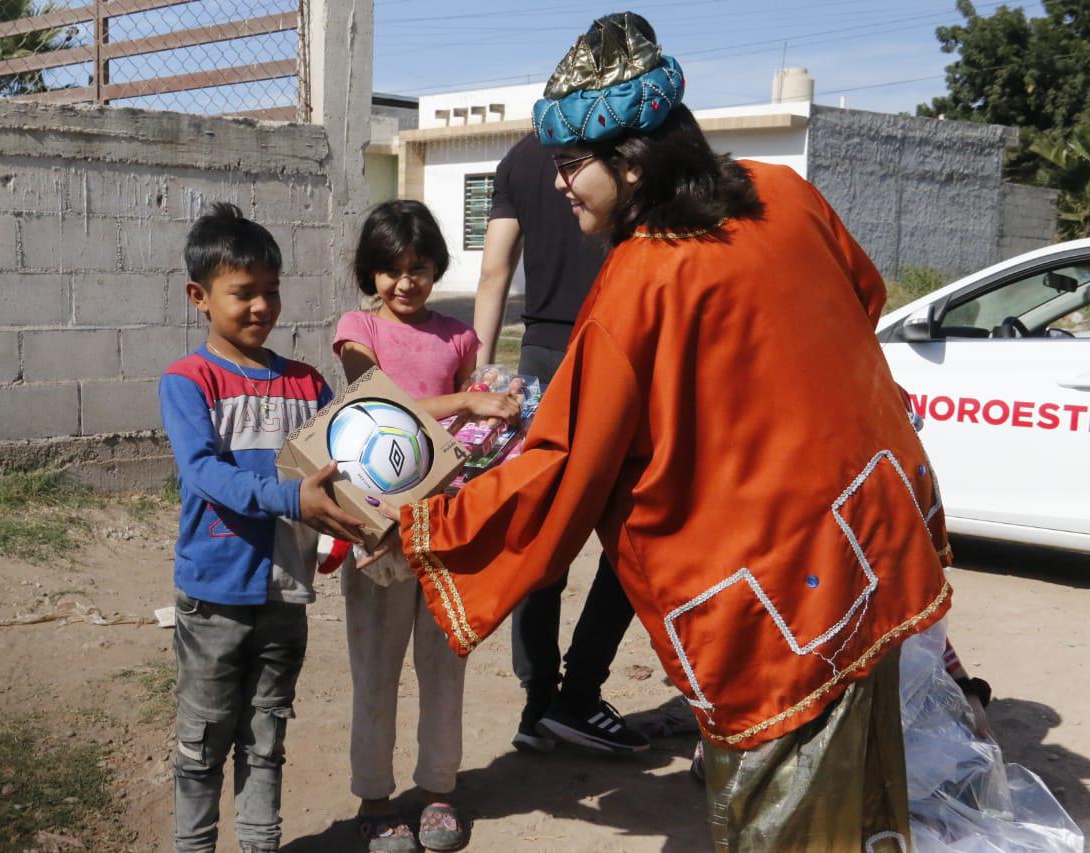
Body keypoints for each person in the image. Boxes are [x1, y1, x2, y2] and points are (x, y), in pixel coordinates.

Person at [383, 14, 953, 851]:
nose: (560, 186)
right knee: (862, 797)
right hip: (871, 549)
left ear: (636, 160)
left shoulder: (641, 281)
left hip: (773, 614)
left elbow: (565, 464)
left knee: (786, 817)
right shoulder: (787, 195)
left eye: (572, 166)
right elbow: (858, 302)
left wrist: (412, 526)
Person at [160, 202, 364, 853]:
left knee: (266, 738)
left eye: (270, 291)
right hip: (214, 594)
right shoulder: (188, 381)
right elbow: (205, 475)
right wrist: (295, 500)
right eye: (242, 292)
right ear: (200, 296)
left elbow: (361, 440)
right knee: (203, 741)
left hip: (284, 593)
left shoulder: (306, 383)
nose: (261, 307)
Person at [333, 200, 519, 853]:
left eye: (418, 268)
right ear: (371, 271)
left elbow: (475, 435)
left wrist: (499, 415)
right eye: (391, 268)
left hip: (446, 525)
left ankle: (440, 790)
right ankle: (375, 797)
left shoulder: (460, 338)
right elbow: (379, 406)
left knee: (445, 665)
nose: (405, 282)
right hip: (378, 523)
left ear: (436, 267)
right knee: (375, 670)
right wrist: (468, 398)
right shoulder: (356, 328)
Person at [475, 130, 647, 755]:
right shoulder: (628, 153)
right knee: (635, 524)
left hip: (544, 358)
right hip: (618, 346)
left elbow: (495, 269)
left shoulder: (520, 158)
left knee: (543, 526)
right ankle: (580, 691)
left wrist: (485, 370)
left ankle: (538, 703)